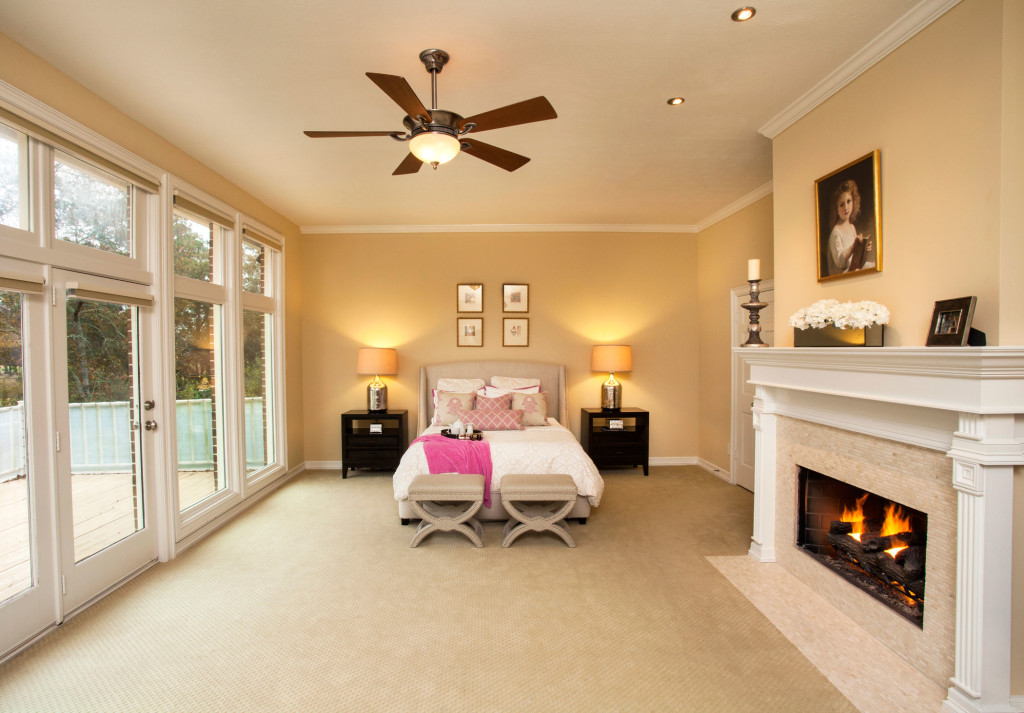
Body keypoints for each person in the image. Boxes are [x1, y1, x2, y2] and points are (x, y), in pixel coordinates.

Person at [826, 179, 872, 275]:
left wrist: (864, 248)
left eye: (848, 201)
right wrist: (853, 246)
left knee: (872, 266)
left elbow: (856, 256)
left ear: (853, 201)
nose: (846, 208)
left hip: (855, 267)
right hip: (846, 273)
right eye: (841, 205)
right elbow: (840, 262)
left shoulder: (852, 227)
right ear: (836, 209)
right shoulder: (836, 232)